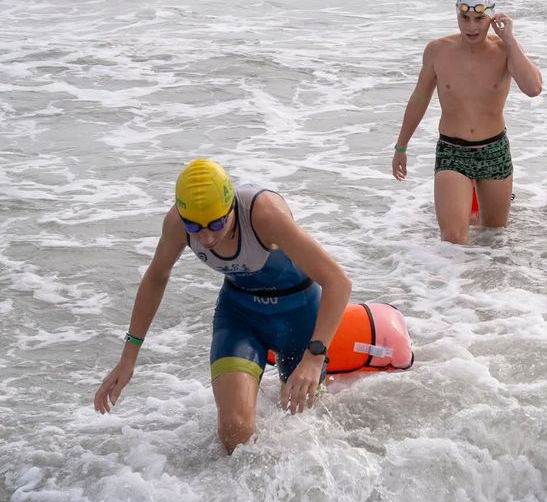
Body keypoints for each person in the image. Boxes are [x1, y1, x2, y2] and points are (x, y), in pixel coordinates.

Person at [93, 159, 352, 454]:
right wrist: (128, 359)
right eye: (195, 227)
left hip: (300, 313)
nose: (207, 238)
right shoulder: (177, 224)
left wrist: (314, 358)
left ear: (231, 208)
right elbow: (156, 276)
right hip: (240, 315)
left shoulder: (263, 215)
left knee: (302, 434)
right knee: (234, 434)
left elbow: (338, 282)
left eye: (217, 224)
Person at [391, 0, 542, 244]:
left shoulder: (504, 51)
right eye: (465, 18)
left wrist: (511, 40)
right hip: (453, 151)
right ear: (457, 17)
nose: (471, 26)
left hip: (494, 150)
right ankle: (450, 284)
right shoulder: (437, 51)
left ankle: (484, 284)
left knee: (494, 236)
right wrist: (401, 146)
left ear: (491, 19)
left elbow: (533, 88)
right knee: (452, 239)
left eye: (479, 19)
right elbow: (419, 99)